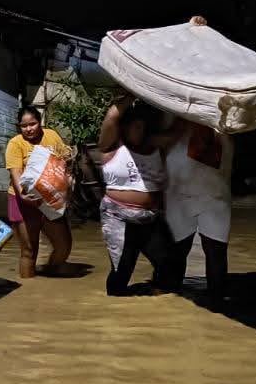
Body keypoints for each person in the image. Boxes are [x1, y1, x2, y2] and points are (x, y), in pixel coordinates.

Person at [157, 121, 235, 304]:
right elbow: (152, 140)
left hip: (215, 195)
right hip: (179, 194)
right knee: (177, 250)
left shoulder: (224, 124)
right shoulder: (177, 119)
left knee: (215, 252)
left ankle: (216, 303)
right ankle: (171, 300)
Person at [97, 95, 169, 296]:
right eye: (135, 126)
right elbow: (112, 115)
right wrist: (133, 92)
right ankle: (117, 310)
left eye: (142, 126)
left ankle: (154, 305)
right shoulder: (111, 145)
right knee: (121, 271)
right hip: (118, 218)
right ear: (124, 127)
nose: (139, 130)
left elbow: (179, 132)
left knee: (167, 262)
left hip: (150, 218)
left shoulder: (155, 145)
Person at [4, 106, 73, 279]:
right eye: (24, 126)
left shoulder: (51, 136)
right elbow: (15, 173)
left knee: (63, 246)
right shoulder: (15, 143)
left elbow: (64, 159)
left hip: (49, 198)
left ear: (39, 121)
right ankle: (27, 291)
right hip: (23, 200)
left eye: (32, 124)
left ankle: (50, 273)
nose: (29, 129)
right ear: (19, 127)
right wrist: (22, 193)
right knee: (29, 251)